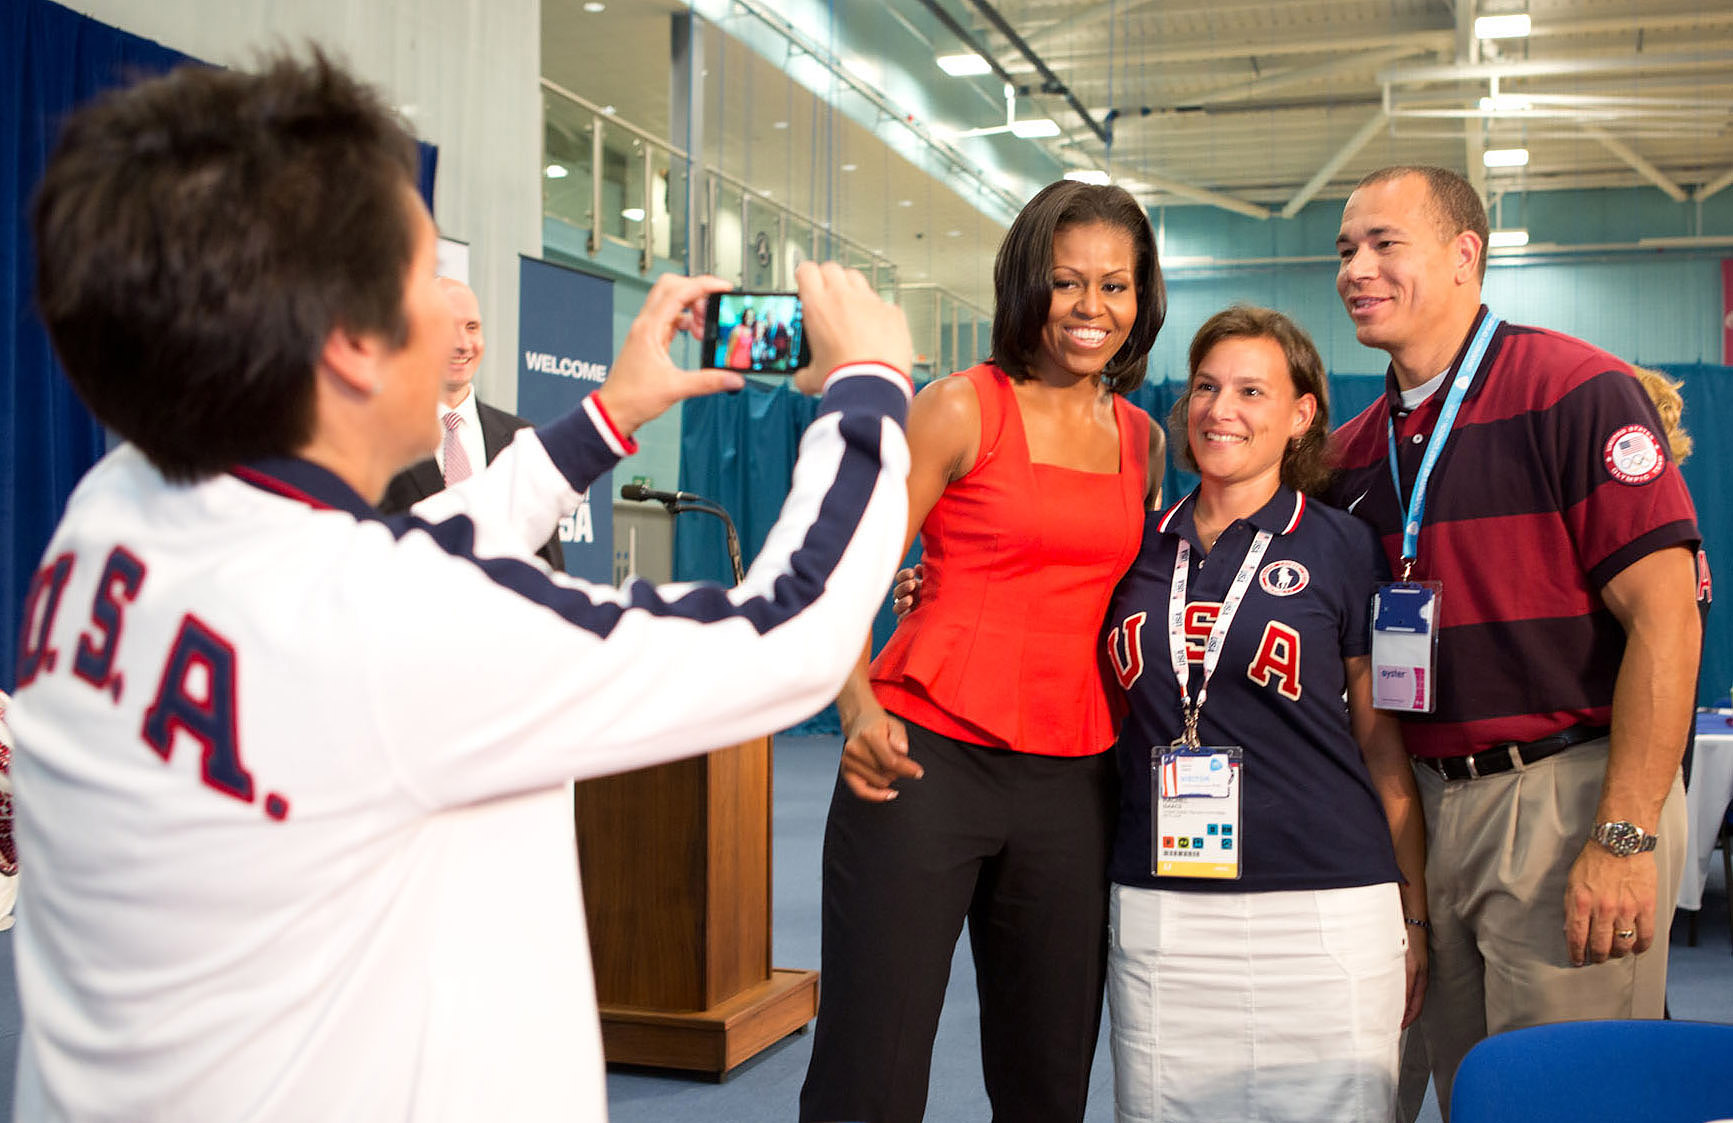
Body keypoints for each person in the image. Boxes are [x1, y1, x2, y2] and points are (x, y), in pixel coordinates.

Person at [11, 52, 914, 1120]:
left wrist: (606, 417)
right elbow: (789, 630)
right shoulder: (385, 626)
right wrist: (868, 387)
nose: (455, 314)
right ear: (351, 344)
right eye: (429, 273)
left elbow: (409, 551)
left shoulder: (113, 513)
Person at [1328, 165, 1700, 1119]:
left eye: (1382, 244)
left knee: (1567, 1096)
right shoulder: (1354, 449)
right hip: (1427, 814)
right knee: (1478, 1095)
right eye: (1344, 250)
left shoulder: (1575, 390)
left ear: (1465, 256)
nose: (1355, 270)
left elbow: (1667, 614)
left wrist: (1623, 833)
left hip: (1566, 796)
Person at [799, 180, 1166, 1123]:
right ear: (1023, 284)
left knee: (1047, 1076)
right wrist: (854, 708)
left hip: (1077, 781)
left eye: (1115, 286)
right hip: (922, 762)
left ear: (1142, 297)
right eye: (1067, 281)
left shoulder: (1144, 442)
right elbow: (843, 566)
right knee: (868, 1072)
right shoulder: (958, 407)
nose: (1092, 309)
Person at [1104, 306, 1425, 1122]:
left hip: (1326, 906)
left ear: (1300, 414)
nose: (1222, 409)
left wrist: (1411, 910)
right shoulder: (1130, 545)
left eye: (1252, 390)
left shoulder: (1343, 546)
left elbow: (1380, 748)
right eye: (1207, 387)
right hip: (1163, 909)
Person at [379, 277, 563, 569]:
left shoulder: (523, 439)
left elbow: (548, 563)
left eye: (472, 327)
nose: (463, 344)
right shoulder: (380, 439)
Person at [723, 305, 756, 369]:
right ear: (744, 317)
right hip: (735, 365)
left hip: (747, 366)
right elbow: (728, 354)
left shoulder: (752, 331)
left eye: (752, 316)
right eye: (748, 316)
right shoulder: (737, 330)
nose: (750, 318)